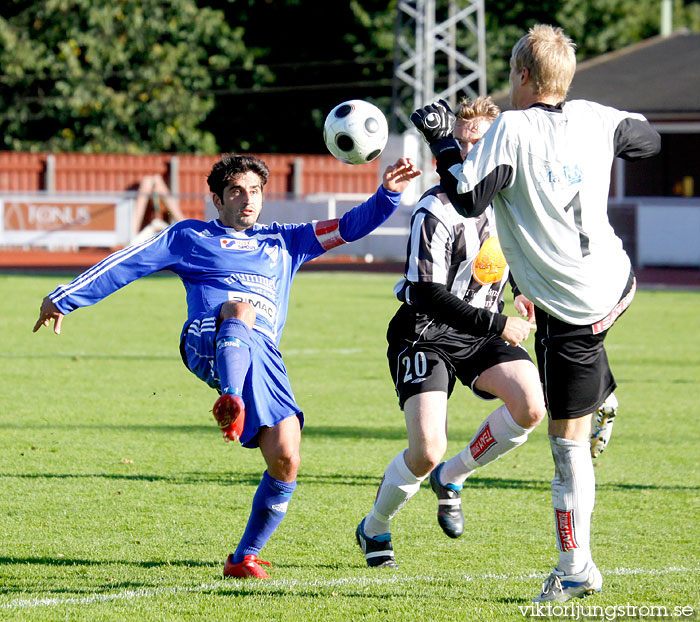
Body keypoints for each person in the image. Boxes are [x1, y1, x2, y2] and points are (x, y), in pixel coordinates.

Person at [34, 153, 421, 580]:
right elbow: (127, 263)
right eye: (236, 191)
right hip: (205, 341)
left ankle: (243, 558)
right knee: (239, 308)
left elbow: (348, 227)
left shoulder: (285, 241)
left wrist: (389, 194)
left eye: (255, 191)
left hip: (261, 355)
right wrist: (64, 296)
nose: (248, 199)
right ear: (217, 199)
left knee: (286, 457)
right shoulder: (190, 236)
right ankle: (231, 399)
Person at [410, 25, 660, 602]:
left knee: (566, 447)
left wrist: (444, 141)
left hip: (567, 310)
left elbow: (469, 199)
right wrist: (601, 138)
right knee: (581, 371)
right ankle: (601, 392)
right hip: (617, 284)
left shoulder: (512, 128)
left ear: (522, 76)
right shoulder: (595, 117)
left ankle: (576, 568)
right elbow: (646, 140)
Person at [355, 96, 546, 569]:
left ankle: (454, 476)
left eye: (476, 144)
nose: (465, 152)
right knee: (425, 450)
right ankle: (374, 527)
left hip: (479, 330)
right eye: (459, 142)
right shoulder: (435, 210)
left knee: (530, 406)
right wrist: (502, 322)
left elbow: (514, 257)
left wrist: (519, 291)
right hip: (425, 331)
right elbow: (429, 295)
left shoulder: (508, 204)